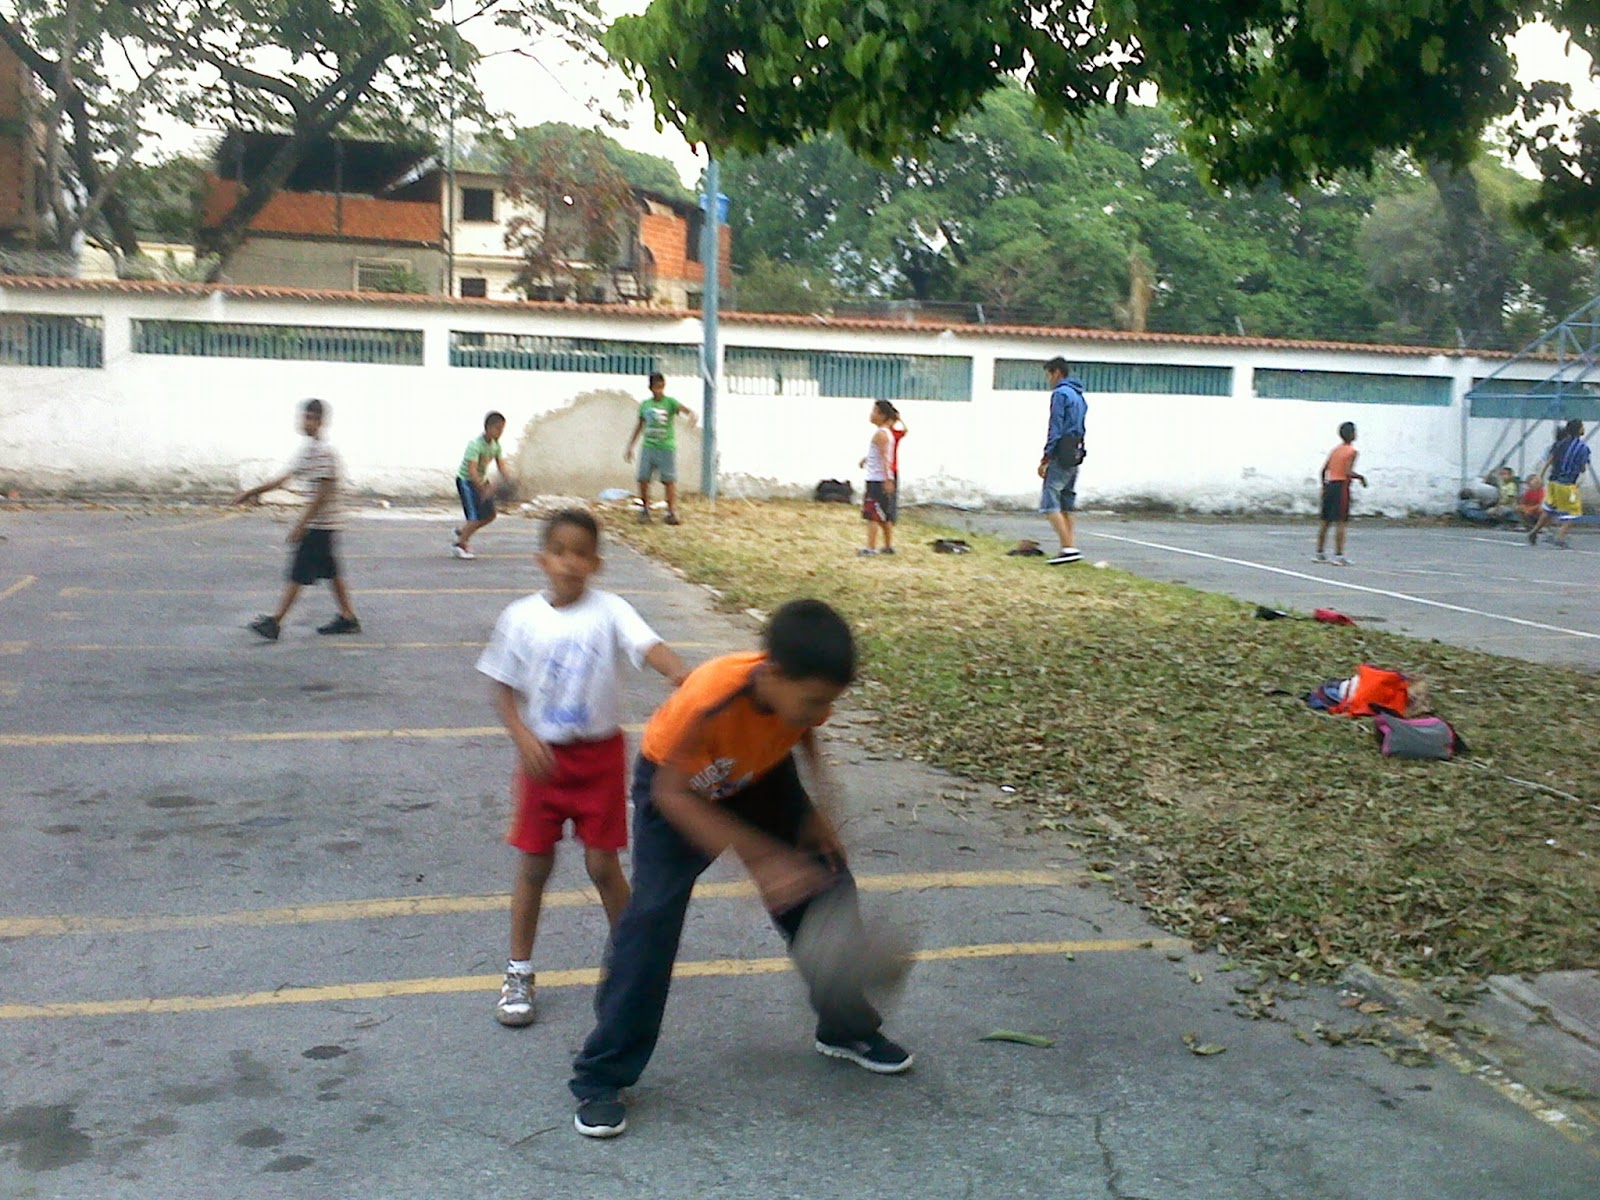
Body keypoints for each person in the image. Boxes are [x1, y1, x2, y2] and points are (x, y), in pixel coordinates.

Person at [568, 599, 912, 1139]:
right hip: (678, 787)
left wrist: (814, 805)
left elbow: (802, 730)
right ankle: (601, 1074)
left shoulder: (802, 696)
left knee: (827, 880)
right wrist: (762, 859)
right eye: (813, 701)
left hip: (760, 773)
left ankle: (844, 1027)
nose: (819, 712)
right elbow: (672, 794)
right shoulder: (710, 700)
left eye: (827, 702)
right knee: (651, 921)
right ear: (772, 674)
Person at [476, 508, 688, 1028]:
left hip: (599, 761)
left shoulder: (610, 610)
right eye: (560, 552)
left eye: (581, 554)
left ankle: (633, 960)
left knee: (602, 866)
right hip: (543, 763)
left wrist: (683, 675)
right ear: (542, 559)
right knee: (534, 866)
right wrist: (522, 735)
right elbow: (501, 688)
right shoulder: (521, 617)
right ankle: (518, 971)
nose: (570, 563)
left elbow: (650, 646)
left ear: (596, 563)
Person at [231, 398, 360, 641]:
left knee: (299, 572)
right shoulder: (309, 450)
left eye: (310, 418)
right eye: (304, 417)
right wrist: (251, 493)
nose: (305, 422)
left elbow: (322, 494)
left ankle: (276, 622)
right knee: (331, 571)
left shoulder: (323, 452)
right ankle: (348, 617)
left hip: (322, 524)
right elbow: (283, 479)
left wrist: (301, 525)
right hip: (323, 523)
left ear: (321, 422)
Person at [623, 373, 694, 526]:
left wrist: (692, 416)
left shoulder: (670, 402)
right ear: (650, 388)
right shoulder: (645, 405)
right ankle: (645, 509)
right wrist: (631, 446)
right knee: (643, 478)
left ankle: (671, 511)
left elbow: (686, 411)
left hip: (666, 447)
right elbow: (639, 425)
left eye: (661, 387)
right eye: (656, 387)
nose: (659, 391)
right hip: (649, 446)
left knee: (669, 480)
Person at [1037, 357, 1087, 565]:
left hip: (1060, 450)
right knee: (1067, 501)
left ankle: (1067, 548)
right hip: (1075, 449)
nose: (1048, 379)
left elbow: (1055, 427)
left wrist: (1046, 457)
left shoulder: (1060, 394)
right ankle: (1069, 546)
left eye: (1049, 375)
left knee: (1050, 501)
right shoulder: (1079, 396)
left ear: (1056, 372)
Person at [453, 412, 511, 560]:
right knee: (474, 518)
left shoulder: (496, 446)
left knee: (490, 515)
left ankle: (464, 532)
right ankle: (460, 545)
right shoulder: (475, 445)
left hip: (482, 481)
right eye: (498, 428)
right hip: (466, 482)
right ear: (488, 427)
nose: (500, 432)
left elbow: (501, 466)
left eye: (502, 429)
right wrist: (482, 489)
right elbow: (472, 471)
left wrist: (510, 480)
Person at [1528, 419, 1591, 549]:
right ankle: (1560, 537)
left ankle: (1534, 531)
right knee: (1574, 512)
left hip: (1553, 482)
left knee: (1550, 508)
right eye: (1582, 427)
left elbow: (1549, 461)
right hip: (1567, 484)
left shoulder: (1559, 444)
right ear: (1579, 429)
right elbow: (1582, 467)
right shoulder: (1582, 448)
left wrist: (1540, 476)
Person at [1314, 421, 1368, 565]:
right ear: (1352, 434)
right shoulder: (1352, 452)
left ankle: (1319, 553)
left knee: (1325, 521)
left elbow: (1323, 470)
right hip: (1341, 486)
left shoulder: (1335, 450)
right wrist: (1360, 477)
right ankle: (1339, 556)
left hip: (1330, 485)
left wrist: (1324, 486)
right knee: (1341, 522)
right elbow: (1347, 472)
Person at [858, 399, 905, 556]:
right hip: (879, 478)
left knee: (873, 514)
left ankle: (871, 547)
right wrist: (867, 459)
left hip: (877, 480)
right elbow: (880, 455)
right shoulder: (885, 433)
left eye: (874, 411)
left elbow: (885, 458)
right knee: (884, 515)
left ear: (882, 415)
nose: (871, 414)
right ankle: (888, 546)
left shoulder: (881, 434)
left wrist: (887, 479)